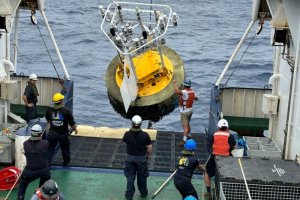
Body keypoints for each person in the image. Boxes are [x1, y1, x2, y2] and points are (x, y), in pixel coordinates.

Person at [204, 119, 236, 199]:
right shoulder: (230, 136)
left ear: (218, 127)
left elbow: (209, 146)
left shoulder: (213, 135)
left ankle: (208, 193)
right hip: (226, 158)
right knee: (228, 174)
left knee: (207, 172)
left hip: (214, 156)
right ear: (227, 127)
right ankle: (225, 191)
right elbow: (234, 146)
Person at [123, 115, 153, 200]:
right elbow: (149, 146)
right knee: (142, 178)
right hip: (141, 159)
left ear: (132, 123)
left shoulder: (127, 134)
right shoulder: (145, 135)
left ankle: (129, 195)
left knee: (130, 178)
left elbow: (125, 141)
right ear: (140, 124)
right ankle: (143, 193)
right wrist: (149, 155)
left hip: (130, 159)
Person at [18, 124, 51, 200]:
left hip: (30, 171)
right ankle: (38, 195)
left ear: (31, 132)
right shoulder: (46, 143)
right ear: (41, 133)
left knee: (23, 182)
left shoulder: (25, 144)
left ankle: (20, 197)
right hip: (44, 171)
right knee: (44, 180)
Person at [45, 92, 78, 166]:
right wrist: (75, 129)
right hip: (63, 134)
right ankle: (66, 163)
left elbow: (47, 118)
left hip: (52, 133)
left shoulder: (49, 110)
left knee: (50, 149)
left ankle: (47, 164)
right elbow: (71, 122)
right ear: (61, 101)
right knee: (65, 149)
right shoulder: (66, 111)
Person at [173, 79, 198, 146]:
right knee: (187, 124)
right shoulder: (193, 91)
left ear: (184, 85)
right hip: (190, 111)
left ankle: (184, 140)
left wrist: (174, 84)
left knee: (185, 127)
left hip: (184, 112)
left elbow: (177, 92)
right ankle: (189, 135)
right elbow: (196, 98)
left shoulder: (184, 92)